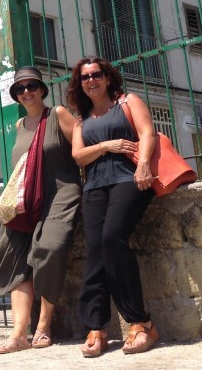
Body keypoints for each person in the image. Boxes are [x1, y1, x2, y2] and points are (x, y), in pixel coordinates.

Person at [67, 56, 159, 357]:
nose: (90, 81)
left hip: (128, 180)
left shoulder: (128, 102)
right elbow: (79, 156)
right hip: (94, 187)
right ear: (79, 84)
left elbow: (148, 133)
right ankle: (96, 327)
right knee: (96, 250)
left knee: (112, 239)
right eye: (84, 77)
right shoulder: (82, 119)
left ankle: (141, 323)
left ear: (108, 78)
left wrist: (143, 164)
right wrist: (107, 146)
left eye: (96, 75)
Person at [0, 66, 81, 354]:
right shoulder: (18, 126)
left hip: (60, 194)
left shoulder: (59, 115)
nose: (26, 91)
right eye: (20, 88)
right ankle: (18, 334)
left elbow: (80, 150)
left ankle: (44, 324)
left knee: (50, 248)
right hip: (26, 202)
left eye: (31, 86)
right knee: (17, 261)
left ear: (42, 89)